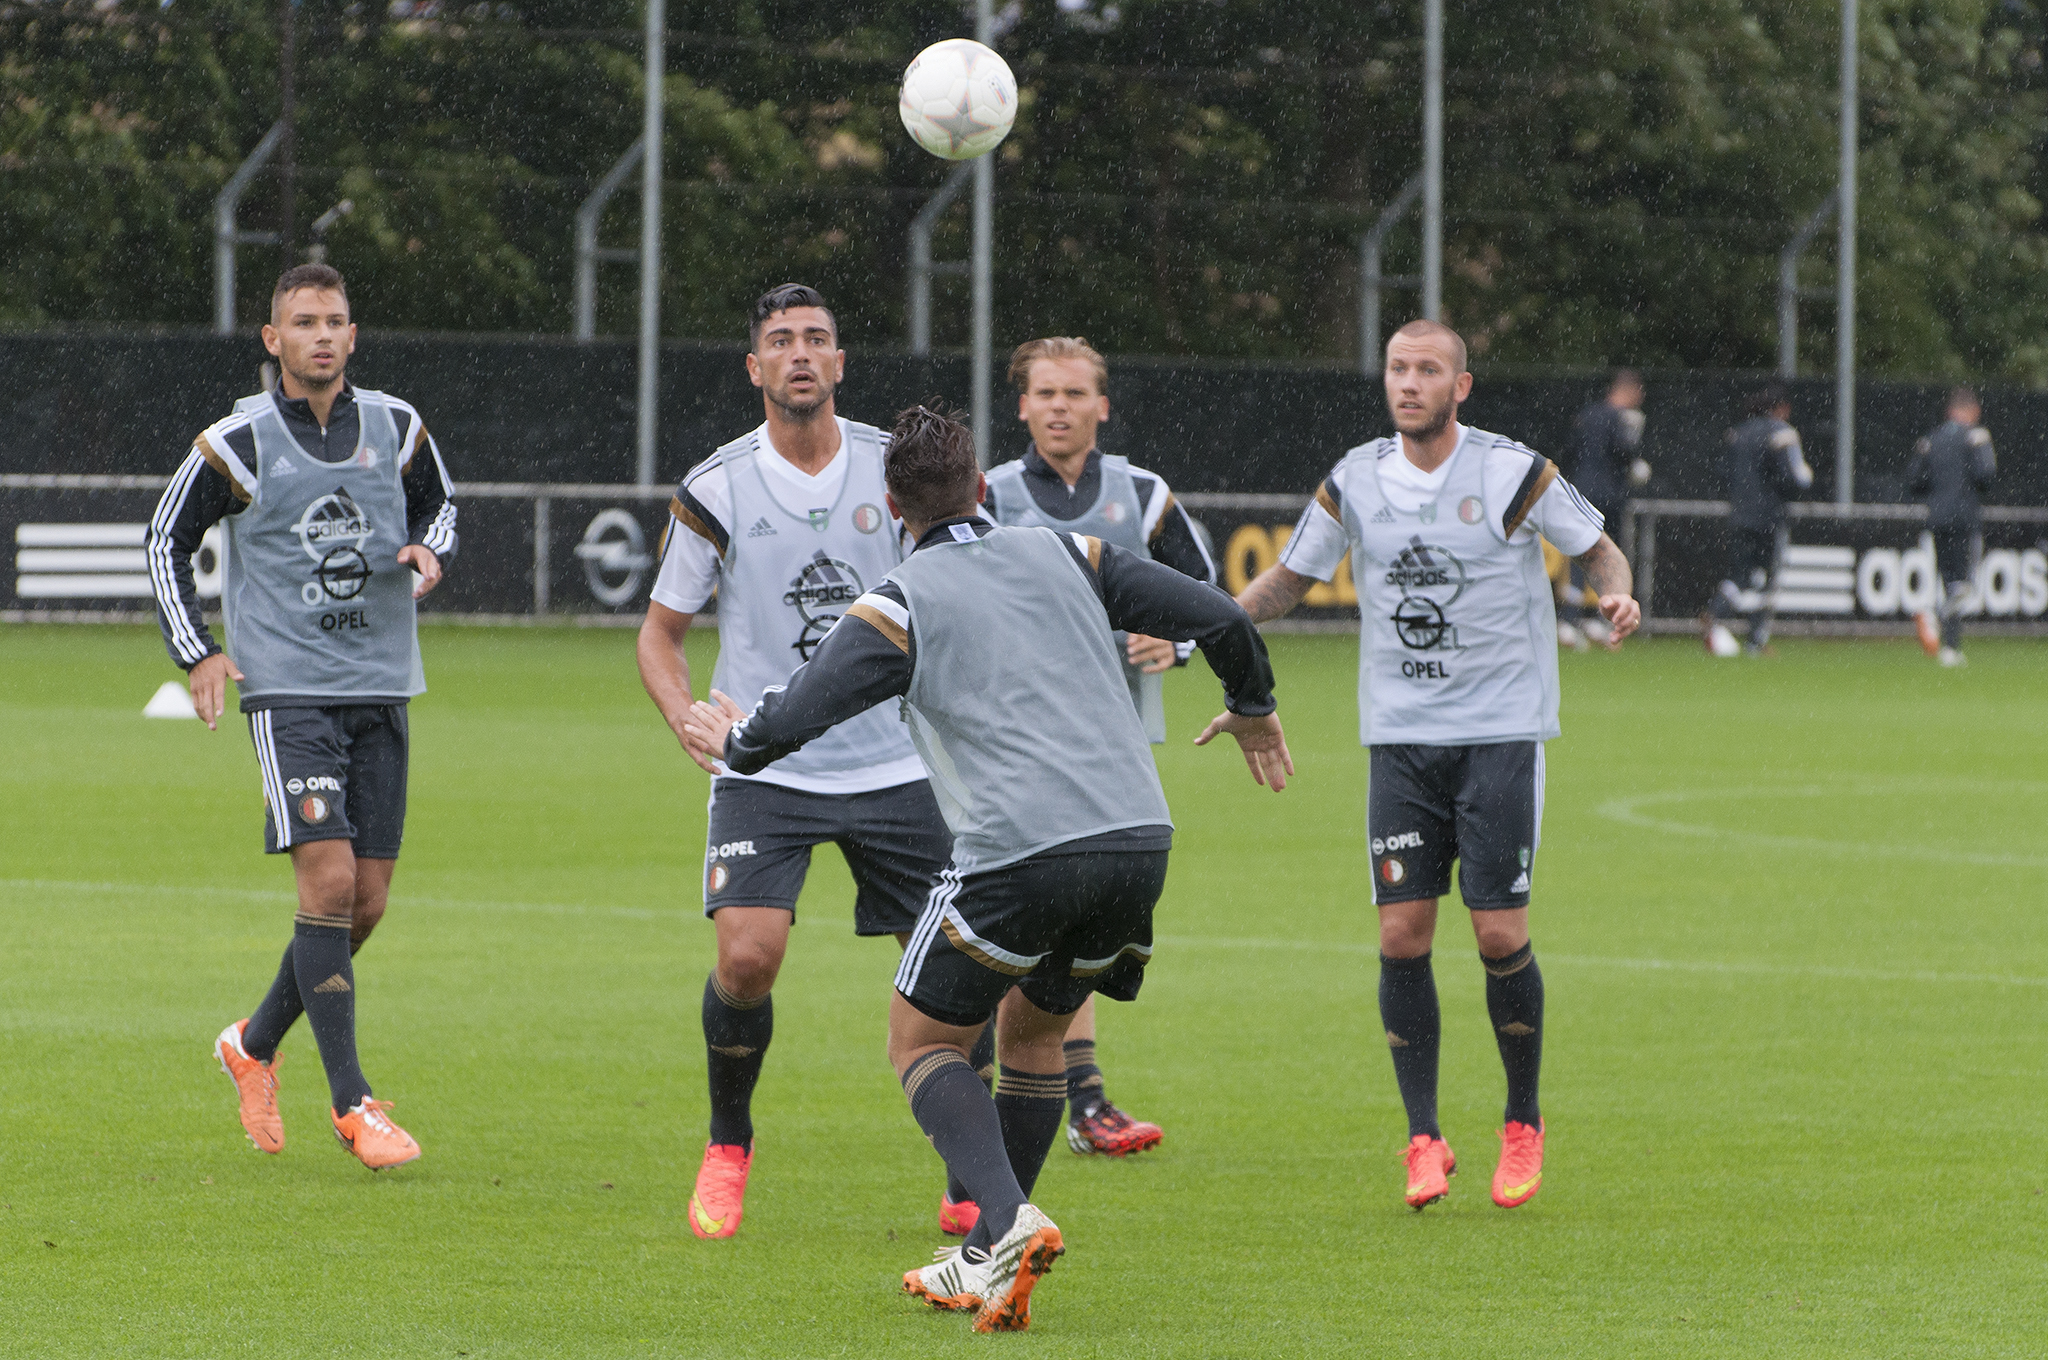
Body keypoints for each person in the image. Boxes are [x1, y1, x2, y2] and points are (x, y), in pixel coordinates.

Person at [678, 404, 1290, 1332]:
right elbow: (1217, 613)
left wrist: (735, 737)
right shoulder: (1070, 554)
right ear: (980, 489)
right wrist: (1252, 703)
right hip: (1137, 842)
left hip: (1021, 853)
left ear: (890, 507)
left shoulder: (898, 600)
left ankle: (1007, 1219)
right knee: (1035, 1035)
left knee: (921, 1041)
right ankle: (981, 1259)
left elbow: (796, 716)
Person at [1230, 319, 1639, 1212]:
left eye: (1428, 370)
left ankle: (1521, 1121)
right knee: (1400, 935)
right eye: (1397, 368)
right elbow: (1291, 579)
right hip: (1401, 739)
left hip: (1501, 730)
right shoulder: (1357, 478)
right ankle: (1424, 1138)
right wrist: (1209, 626)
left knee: (1498, 935)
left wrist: (1614, 583)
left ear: (1461, 387)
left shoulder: (1508, 470)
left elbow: (1594, 542)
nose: (1408, 383)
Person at [636, 283, 958, 1240]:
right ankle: (728, 1143)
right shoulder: (719, 485)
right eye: (782, 341)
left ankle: (967, 1170)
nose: (802, 355)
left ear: (841, 362)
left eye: (818, 338)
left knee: (957, 971)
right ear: (756, 368)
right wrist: (686, 716)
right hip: (765, 764)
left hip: (896, 763)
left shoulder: (888, 470)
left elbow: (950, 583)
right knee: (746, 958)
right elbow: (660, 637)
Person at [147, 263, 457, 1171]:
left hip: (383, 683)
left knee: (363, 906)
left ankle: (250, 1044)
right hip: (287, 690)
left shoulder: (396, 427)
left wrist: (427, 551)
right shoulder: (238, 443)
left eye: (336, 321)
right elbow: (166, 536)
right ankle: (354, 1102)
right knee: (325, 890)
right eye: (303, 322)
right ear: (272, 341)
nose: (322, 335)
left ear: (353, 337)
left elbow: (441, 507)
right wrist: (197, 650)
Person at [979, 335, 1219, 1158]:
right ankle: (1050, 1096)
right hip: (1009, 750)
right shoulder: (992, 496)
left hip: (1111, 750)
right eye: (1044, 393)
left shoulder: (1142, 496)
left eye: (1075, 394)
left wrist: (1177, 646)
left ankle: (1074, 1100)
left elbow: (1206, 597)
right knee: (1033, 923)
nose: (1059, 407)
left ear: (1102, 406)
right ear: (1021, 406)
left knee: (1074, 923)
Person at [1705, 381, 1812, 657]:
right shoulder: (1782, 433)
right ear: (1782, 408)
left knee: (1741, 575)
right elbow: (1796, 477)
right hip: (1769, 517)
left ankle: (1720, 615)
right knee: (1765, 579)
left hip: (1740, 514)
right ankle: (1754, 637)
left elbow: (1722, 471)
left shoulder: (1738, 433)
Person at [1557, 369, 1647, 649]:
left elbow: (1569, 451)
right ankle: (1599, 619)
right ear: (1632, 391)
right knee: (1607, 555)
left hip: (1579, 492)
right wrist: (1634, 465)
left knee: (1577, 553)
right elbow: (1624, 451)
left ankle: (1569, 621)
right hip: (1608, 495)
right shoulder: (1621, 418)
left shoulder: (1586, 416)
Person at [1907, 386, 1996, 668]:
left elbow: (1914, 481)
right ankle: (1935, 618)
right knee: (1965, 584)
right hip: (1964, 517)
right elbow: (1986, 475)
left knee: (1949, 580)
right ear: (1973, 411)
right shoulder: (1976, 437)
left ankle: (1950, 647)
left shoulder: (1931, 440)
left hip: (1936, 517)